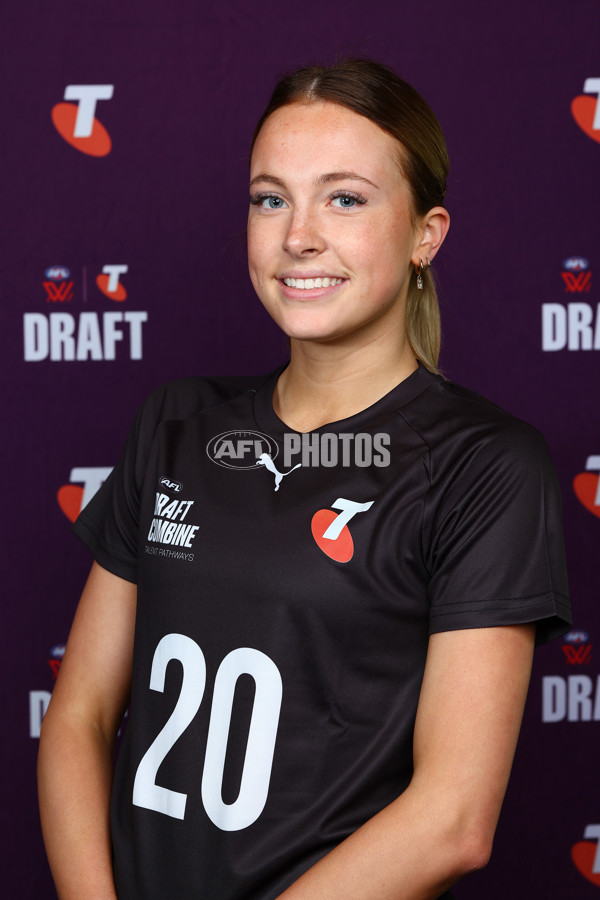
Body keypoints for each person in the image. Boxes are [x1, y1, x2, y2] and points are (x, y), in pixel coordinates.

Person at [38, 59, 571, 900]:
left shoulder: (485, 465)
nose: (299, 235)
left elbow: (454, 819)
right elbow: (78, 716)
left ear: (426, 233)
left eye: (346, 198)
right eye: (270, 197)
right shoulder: (176, 425)